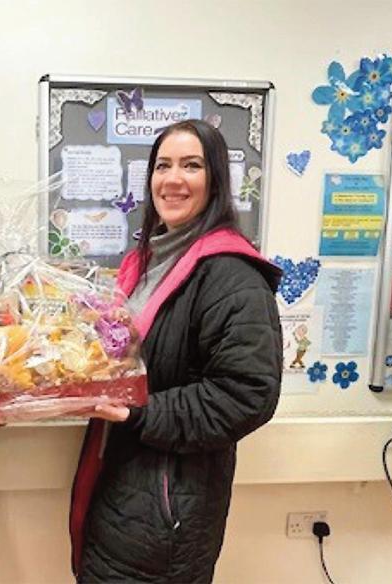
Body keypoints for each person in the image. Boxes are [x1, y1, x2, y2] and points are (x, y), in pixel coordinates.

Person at [70, 120, 283, 583]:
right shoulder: (145, 264)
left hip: (166, 511)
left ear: (216, 180)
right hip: (121, 488)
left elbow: (247, 394)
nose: (173, 179)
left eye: (191, 165)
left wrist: (139, 412)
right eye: (162, 165)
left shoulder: (231, 276)